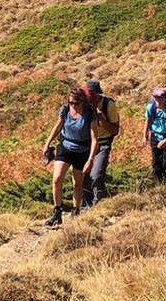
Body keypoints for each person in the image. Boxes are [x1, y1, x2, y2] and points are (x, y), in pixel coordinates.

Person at [41, 85, 97, 227]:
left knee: (77, 183)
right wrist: (47, 143)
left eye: (75, 103)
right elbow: (58, 126)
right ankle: (57, 212)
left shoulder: (90, 112)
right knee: (57, 179)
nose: (72, 105)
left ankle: (76, 210)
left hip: (82, 150)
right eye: (70, 102)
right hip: (65, 146)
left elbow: (94, 138)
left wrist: (90, 159)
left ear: (82, 101)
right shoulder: (65, 109)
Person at [81, 79, 120, 208]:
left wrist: (102, 119)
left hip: (103, 143)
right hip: (86, 144)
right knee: (83, 176)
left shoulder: (109, 105)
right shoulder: (83, 105)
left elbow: (115, 130)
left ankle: (99, 204)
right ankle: (85, 205)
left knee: (96, 175)